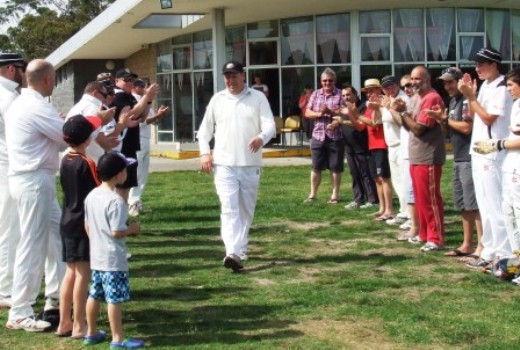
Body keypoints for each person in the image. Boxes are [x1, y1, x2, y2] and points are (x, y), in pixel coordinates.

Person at [5, 59, 67, 331]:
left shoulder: (22, 102)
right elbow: (65, 137)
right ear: (47, 80)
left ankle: (58, 297)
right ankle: (20, 310)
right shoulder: (35, 105)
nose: (53, 82)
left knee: (59, 236)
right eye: (53, 78)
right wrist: (93, 121)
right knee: (33, 245)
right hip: (33, 179)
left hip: (32, 178)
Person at [197, 60, 275, 271]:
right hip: (223, 164)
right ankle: (232, 251)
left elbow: (270, 126)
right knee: (229, 208)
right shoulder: (218, 99)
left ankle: (239, 248)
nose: (231, 80)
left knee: (245, 211)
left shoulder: (257, 98)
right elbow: (204, 132)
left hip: (250, 164)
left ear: (243, 76)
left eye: (234, 75)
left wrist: (261, 137)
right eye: (227, 76)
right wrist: (205, 154)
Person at [458, 47, 513, 268]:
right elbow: (473, 115)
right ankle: (489, 250)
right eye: (477, 64)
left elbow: (489, 118)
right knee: (484, 203)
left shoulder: (501, 86)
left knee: (495, 204)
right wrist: (470, 96)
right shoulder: (485, 86)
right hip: (479, 150)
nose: (477, 68)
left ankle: (503, 253)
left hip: (492, 152)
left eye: (482, 64)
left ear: (494, 65)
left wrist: (471, 96)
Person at [83, 151, 144, 349]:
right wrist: (132, 230)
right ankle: (117, 338)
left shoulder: (92, 195)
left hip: (97, 257)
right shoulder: (116, 201)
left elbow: (87, 226)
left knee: (94, 295)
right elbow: (117, 231)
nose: (127, 173)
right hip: (113, 260)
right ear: (118, 175)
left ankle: (91, 332)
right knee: (114, 299)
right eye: (125, 169)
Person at [428, 67, 483, 258]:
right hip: (459, 157)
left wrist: (445, 119)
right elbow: (449, 133)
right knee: (462, 204)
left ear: (460, 82)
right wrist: (441, 121)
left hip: (469, 157)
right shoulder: (452, 101)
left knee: (474, 204)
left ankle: (481, 246)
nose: (447, 86)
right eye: (445, 82)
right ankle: (467, 244)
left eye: (451, 82)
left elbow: (467, 128)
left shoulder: (468, 100)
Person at [55, 115, 101, 338]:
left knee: (70, 272)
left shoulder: (65, 159)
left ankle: (64, 321)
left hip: (67, 220)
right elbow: (98, 191)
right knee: (83, 274)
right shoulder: (88, 163)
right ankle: (79, 324)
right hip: (82, 223)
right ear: (87, 139)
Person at [392, 65, 446, 252]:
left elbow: (419, 129)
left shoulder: (432, 98)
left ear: (427, 80)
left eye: (417, 79)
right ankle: (425, 234)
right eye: (412, 79)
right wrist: (400, 111)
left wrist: (404, 113)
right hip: (417, 155)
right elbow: (407, 126)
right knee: (420, 200)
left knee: (430, 199)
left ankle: (436, 238)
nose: (413, 83)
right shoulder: (418, 98)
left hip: (428, 155)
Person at [473, 66, 520, 254]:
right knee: (508, 213)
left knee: (516, 213)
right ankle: (514, 261)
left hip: (516, 165)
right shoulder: (516, 104)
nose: (508, 89)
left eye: (511, 85)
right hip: (510, 164)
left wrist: (498, 144)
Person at [343, 79, 393, 220]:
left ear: (379, 90)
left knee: (384, 178)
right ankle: (382, 208)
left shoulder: (381, 103)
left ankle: (389, 209)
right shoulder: (370, 106)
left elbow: (374, 123)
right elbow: (361, 125)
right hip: (372, 145)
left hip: (381, 144)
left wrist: (356, 114)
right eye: (367, 91)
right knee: (377, 178)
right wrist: (352, 116)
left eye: (372, 90)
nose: (370, 94)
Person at [0, 52, 26, 308]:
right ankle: (5, 289)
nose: (25, 72)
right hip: (7, 165)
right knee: (9, 228)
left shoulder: (9, 94)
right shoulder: (7, 97)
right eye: (22, 68)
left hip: (7, 164)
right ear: (10, 69)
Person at [111, 68, 159, 203]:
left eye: (132, 80)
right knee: (120, 184)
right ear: (117, 81)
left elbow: (142, 117)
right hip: (120, 145)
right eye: (126, 80)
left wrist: (149, 100)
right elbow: (131, 114)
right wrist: (145, 97)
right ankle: (119, 214)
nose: (130, 82)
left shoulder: (129, 96)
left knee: (127, 183)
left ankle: (124, 212)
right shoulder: (118, 95)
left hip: (131, 143)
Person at [128, 78, 169, 216]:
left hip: (145, 139)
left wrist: (158, 114)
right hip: (137, 138)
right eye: (144, 86)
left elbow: (151, 121)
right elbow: (141, 121)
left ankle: (137, 201)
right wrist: (158, 115)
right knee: (137, 172)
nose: (146, 88)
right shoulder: (135, 100)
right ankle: (132, 203)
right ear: (135, 87)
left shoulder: (144, 101)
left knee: (143, 174)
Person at [304, 67, 344, 204]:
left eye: (330, 81)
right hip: (318, 135)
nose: (327, 83)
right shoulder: (315, 94)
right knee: (316, 167)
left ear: (335, 81)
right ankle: (313, 194)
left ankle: (335, 195)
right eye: (325, 81)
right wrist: (319, 114)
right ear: (321, 81)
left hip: (335, 136)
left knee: (336, 168)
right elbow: (307, 112)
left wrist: (329, 111)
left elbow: (343, 114)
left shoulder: (340, 94)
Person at [337, 86, 378, 210]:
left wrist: (347, 117)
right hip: (349, 147)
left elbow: (361, 126)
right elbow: (342, 120)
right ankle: (358, 199)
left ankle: (373, 200)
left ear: (355, 95)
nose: (346, 98)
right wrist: (335, 123)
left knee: (366, 173)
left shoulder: (362, 107)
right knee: (354, 173)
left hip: (362, 145)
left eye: (348, 95)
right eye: (343, 96)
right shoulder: (345, 108)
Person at [66, 81, 122, 163]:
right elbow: (97, 135)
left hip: (77, 155)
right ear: (95, 93)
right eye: (104, 95)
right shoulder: (93, 107)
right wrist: (110, 149)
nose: (105, 98)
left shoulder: (79, 106)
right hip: (89, 159)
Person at [380, 75, 410, 226]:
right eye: (386, 88)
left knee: (405, 181)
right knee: (397, 181)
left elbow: (401, 122)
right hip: (391, 145)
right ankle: (403, 211)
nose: (389, 90)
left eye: (391, 86)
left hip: (402, 144)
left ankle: (407, 213)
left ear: (397, 85)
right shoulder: (386, 99)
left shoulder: (402, 99)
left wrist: (388, 107)